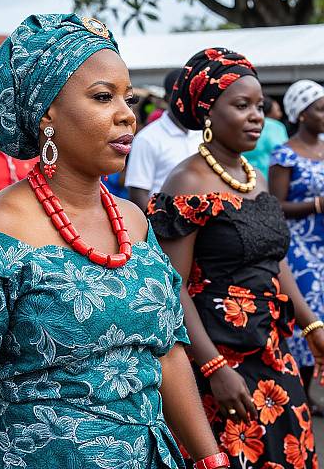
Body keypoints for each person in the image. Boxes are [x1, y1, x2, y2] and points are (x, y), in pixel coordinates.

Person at [0, 14, 231, 469]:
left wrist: (210, 459)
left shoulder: (134, 221)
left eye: (128, 98)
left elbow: (168, 354)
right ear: (47, 117)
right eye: (103, 97)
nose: (126, 114)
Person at [147, 48, 324, 468]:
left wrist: (312, 325)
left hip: (271, 348)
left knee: (289, 452)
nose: (256, 116)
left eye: (260, 106)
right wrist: (213, 368)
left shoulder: (254, 177)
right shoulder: (186, 181)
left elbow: (274, 258)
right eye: (241, 105)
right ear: (208, 111)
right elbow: (172, 286)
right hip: (220, 356)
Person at [269, 79, 324, 416]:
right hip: (300, 247)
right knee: (309, 315)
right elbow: (276, 205)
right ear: (301, 114)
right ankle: (302, 391)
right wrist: (317, 204)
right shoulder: (285, 153)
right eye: (319, 107)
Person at [125, 69, 201, 211]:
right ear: (166, 99)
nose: (185, 100)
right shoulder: (147, 139)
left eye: (191, 94)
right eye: (179, 95)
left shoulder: (203, 133)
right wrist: (160, 227)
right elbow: (137, 194)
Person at [243, 95, 288, 179]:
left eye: (260, 107)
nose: (280, 114)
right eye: (278, 110)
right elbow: (285, 155)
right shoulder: (277, 127)